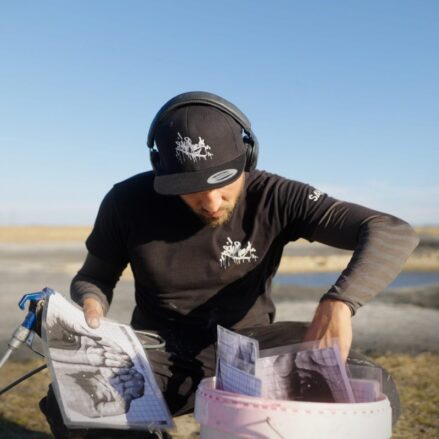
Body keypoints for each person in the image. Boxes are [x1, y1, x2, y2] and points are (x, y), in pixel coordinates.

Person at [40, 91, 419, 438]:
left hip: (249, 348)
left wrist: (341, 301)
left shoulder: (276, 195)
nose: (212, 202)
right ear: (161, 171)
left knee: (370, 383)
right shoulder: (126, 201)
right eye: (191, 189)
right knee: (70, 401)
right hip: (155, 351)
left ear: (247, 158)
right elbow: (94, 276)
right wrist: (91, 303)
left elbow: (391, 231)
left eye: (224, 183)